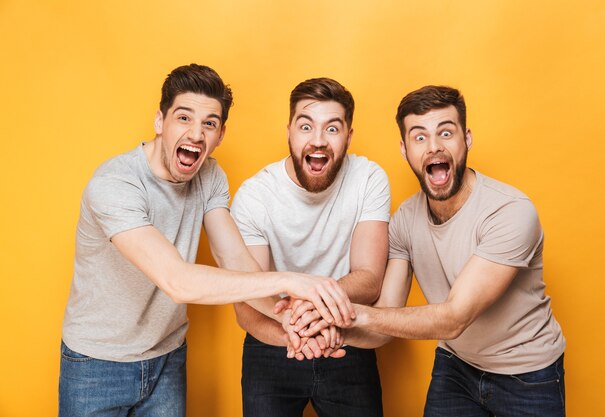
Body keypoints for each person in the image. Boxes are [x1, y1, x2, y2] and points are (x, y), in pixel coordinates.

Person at [59, 64, 354, 417]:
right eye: (184, 118)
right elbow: (177, 281)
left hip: (166, 358)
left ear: (220, 134)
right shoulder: (115, 184)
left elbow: (234, 259)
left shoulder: (209, 175)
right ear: (160, 122)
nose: (196, 134)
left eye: (209, 124)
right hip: (97, 364)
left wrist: (288, 319)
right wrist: (293, 281)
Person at [331, 85, 566, 417]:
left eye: (445, 132)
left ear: (466, 139)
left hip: (527, 374)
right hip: (457, 367)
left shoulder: (510, 211)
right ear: (404, 149)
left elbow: (455, 317)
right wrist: (335, 331)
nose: (434, 147)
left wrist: (352, 313)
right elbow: (384, 320)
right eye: (420, 137)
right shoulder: (404, 222)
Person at [230, 77, 391, 417]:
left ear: (349, 135)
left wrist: (313, 312)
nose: (318, 141)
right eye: (306, 126)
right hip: (272, 339)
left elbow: (370, 278)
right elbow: (246, 302)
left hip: (347, 337)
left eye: (332, 129)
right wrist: (294, 332)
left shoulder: (369, 179)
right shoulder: (255, 195)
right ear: (289, 131)